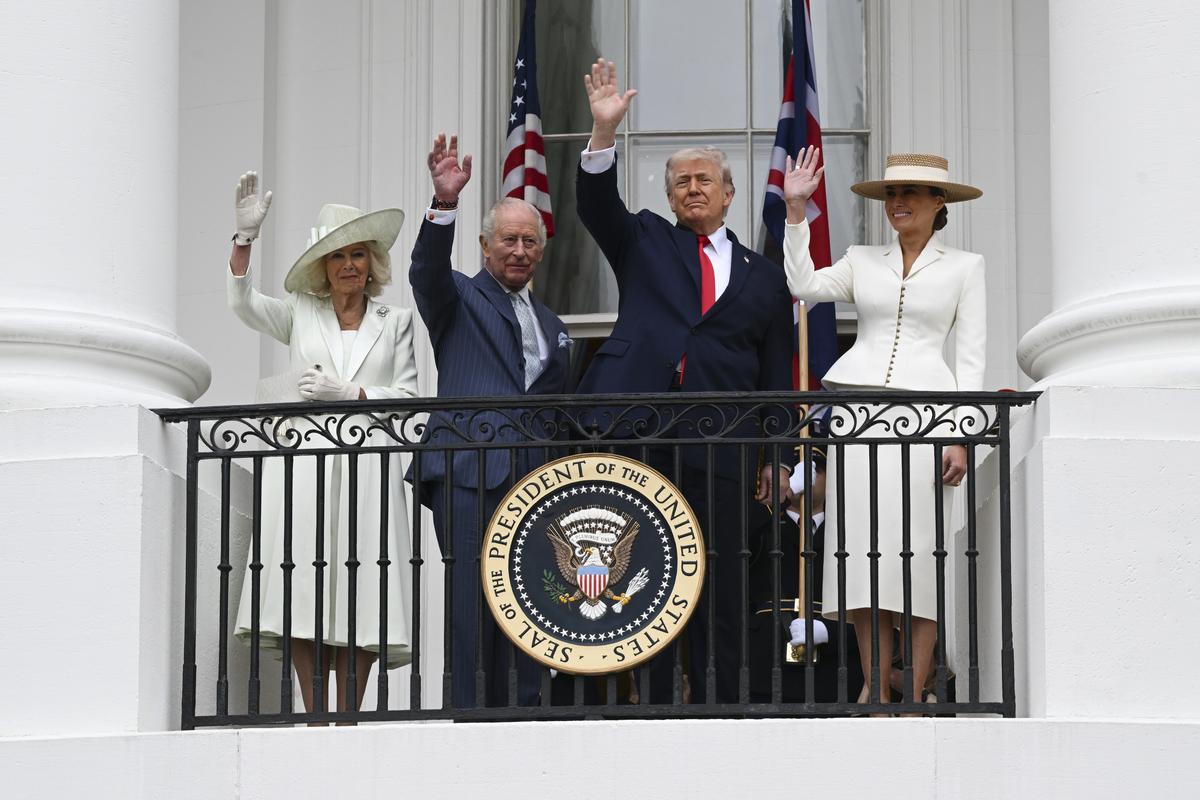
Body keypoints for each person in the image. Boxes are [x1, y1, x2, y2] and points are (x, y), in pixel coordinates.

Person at [575, 58, 796, 704]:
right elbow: (594, 204)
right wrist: (602, 133)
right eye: (680, 183)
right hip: (638, 432)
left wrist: (777, 456)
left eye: (703, 180)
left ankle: (721, 703)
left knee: (721, 578)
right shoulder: (644, 239)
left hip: (723, 443)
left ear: (729, 192)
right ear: (669, 197)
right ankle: (650, 700)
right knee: (641, 571)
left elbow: (776, 374)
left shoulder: (764, 275)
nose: (691, 189)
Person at [782, 148, 986, 710]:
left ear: (938, 203)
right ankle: (875, 685)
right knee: (858, 552)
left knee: (917, 557)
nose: (898, 203)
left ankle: (914, 688)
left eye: (911, 194)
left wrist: (961, 434)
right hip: (858, 418)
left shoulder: (965, 267)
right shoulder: (861, 258)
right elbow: (803, 285)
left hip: (927, 420)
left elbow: (970, 362)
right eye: (892, 194)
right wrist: (795, 210)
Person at [226, 171, 419, 716]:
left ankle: (350, 712)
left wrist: (352, 391)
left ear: (372, 264)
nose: (349, 265)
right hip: (306, 467)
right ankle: (314, 712)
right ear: (322, 267)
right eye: (338, 257)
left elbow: (408, 400)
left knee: (362, 588)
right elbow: (244, 304)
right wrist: (244, 241)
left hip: (369, 470)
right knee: (305, 587)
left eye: (358, 255)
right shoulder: (301, 313)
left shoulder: (397, 320)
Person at [408, 134, 571, 708]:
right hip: (469, 468)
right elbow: (426, 270)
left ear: (541, 251)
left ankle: (526, 712)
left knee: (534, 597)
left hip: (536, 477)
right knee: (473, 598)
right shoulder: (457, 296)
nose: (519, 250)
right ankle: (473, 716)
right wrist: (443, 204)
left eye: (530, 241)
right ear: (483, 245)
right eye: (508, 240)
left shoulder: (552, 323)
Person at [748, 448, 864, 704]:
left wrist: (831, 632)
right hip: (767, 663)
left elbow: (866, 599)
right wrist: (782, 495)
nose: (808, 475)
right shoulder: (763, 525)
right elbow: (737, 546)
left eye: (815, 468)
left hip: (835, 666)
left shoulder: (850, 532)